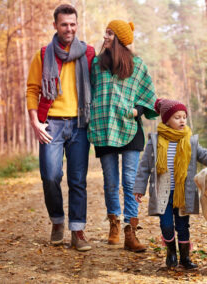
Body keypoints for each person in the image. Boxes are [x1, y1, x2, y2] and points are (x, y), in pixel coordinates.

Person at [26, 4, 95, 251]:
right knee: (50, 176)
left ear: (77, 25)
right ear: (55, 25)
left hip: (79, 124)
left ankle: (77, 231)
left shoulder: (88, 54)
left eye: (73, 24)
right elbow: (33, 89)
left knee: (78, 180)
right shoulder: (43, 53)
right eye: (64, 24)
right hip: (51, 124)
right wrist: (35, 122)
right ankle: (57, 220)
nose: (69, 28)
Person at [87, 20, 157, 252]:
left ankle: (130, 231)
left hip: (129, 129)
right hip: (104, 128)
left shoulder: (137, 65)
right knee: (110, 182)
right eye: (105, 32)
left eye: (109, 33)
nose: (104, 37)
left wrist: (136, 110)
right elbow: (90, 92)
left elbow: (149, 96)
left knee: (129, 181)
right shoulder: (96, 63)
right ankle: (114, 224)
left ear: (119, 39)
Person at [133, 98, 207, 269]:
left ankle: (185, 258)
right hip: (162, 192)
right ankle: (171, 252)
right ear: (166, 120)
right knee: (166, 225)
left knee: (183, 226)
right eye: (177, 117)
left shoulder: (189, 140)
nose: (182, 120)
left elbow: (203, 154)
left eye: (184, 117)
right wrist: (139, 188)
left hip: (183, 192)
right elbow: (144, 166)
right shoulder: (155, 140)